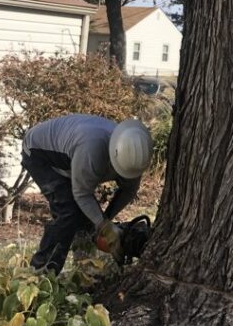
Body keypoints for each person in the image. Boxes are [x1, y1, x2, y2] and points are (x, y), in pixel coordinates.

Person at [21, 114, 153, 273]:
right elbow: (81, 194)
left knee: (89, 218)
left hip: (72, 153)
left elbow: (129, 190)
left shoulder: (134, 154)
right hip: (39, 154)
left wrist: (106, 225)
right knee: (68, 212)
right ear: (113, 155)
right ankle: (41, 272)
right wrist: (103, 225)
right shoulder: (92, 150)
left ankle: (85, 270)